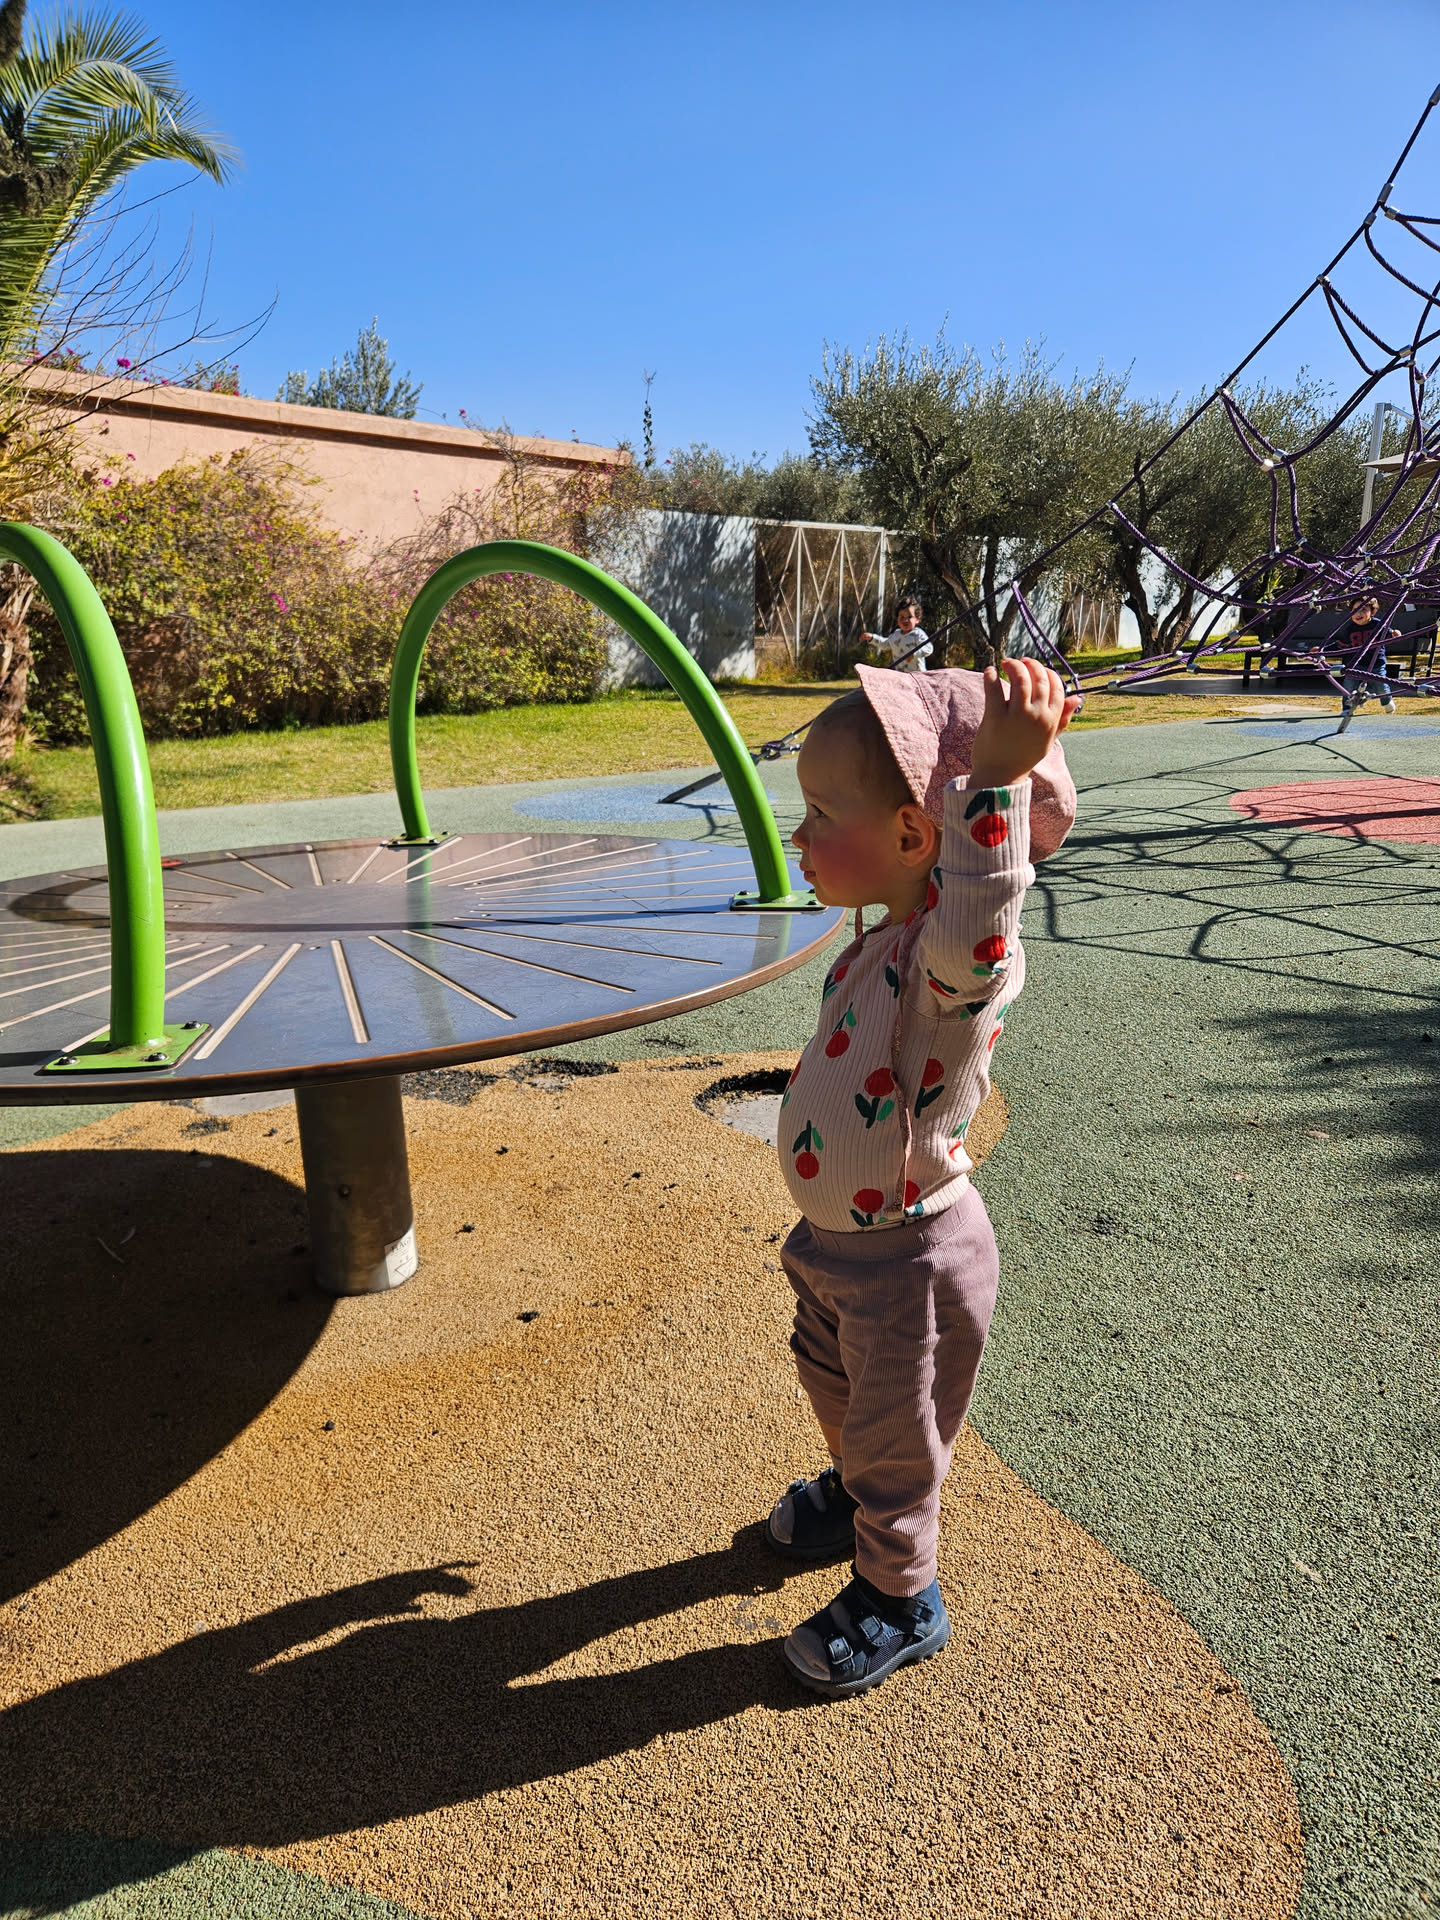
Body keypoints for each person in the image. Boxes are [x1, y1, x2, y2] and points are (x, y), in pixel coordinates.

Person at [766, 657, 1078, 1699]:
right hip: (836, 1251)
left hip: (909, 1264)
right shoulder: (889, 936)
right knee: (835, 1387)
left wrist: (994, 784)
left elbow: (983, 919)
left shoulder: (956, 968)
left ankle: (901, 1596)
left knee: (896, 1437)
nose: (798, 834)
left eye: (820, 814)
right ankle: (860, 1493)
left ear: (912, 836)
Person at [1340, 595, 1397, 719]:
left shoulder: (1378, 624)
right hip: (1356, 664)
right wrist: (1322, 650)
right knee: (1348, 685)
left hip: (1376, 663)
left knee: (1381, 686)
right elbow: (1341, 644)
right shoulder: (1350, 628)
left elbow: (1389, 635)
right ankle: (1347, 708)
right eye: (1355, 610)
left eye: (1363, 610)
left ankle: (1386, 701)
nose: (1358, 613)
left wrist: (1394, 634)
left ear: (1373, 612)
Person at [859, 597, 933, 672]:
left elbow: (929, 648)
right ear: (897, 619)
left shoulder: (918, 634)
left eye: (909, 617)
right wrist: (872, 638)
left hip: (917, 675)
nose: (905, 620)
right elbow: (885, 644)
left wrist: (915, 653)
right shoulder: (896, 635)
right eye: (902, 617)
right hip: (900, 674)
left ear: (917, 619)